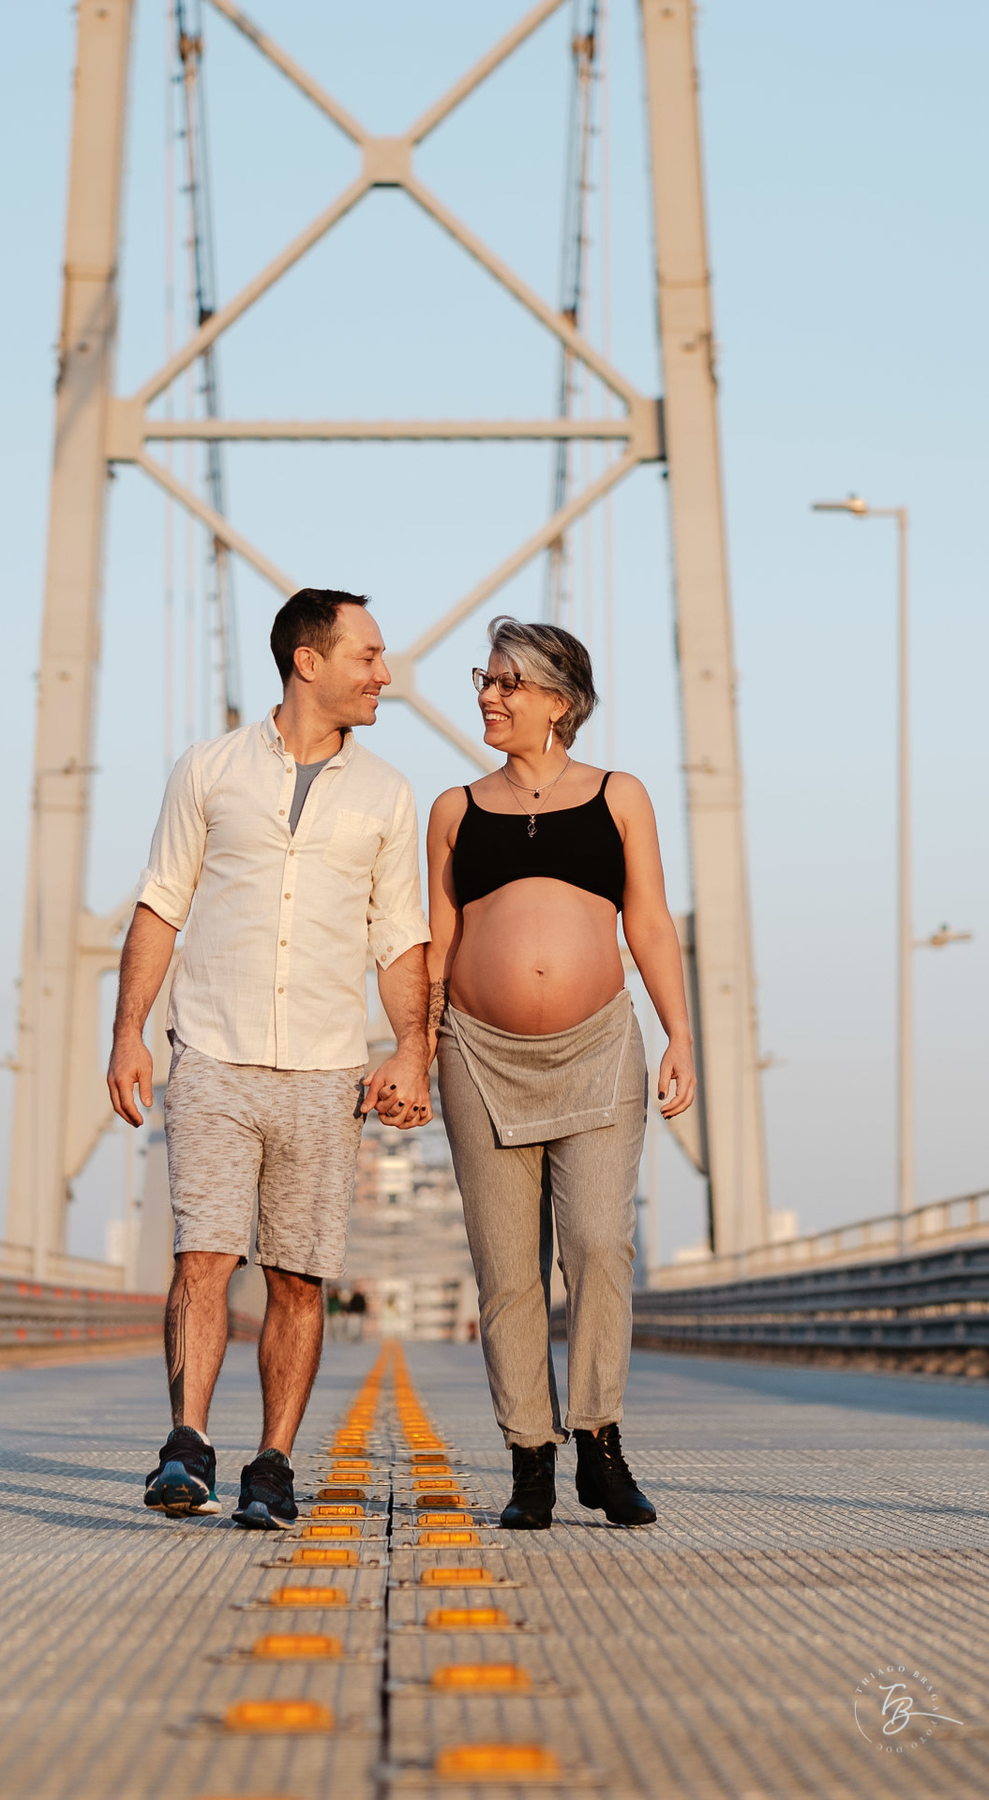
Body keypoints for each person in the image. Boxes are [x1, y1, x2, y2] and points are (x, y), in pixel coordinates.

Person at [108, 589, 431, 1530]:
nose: (384, 675)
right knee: (202, 1255)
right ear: (308, 662)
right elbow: (161, 902)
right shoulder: (207, 770)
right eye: (368, 656)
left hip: (329, 1069)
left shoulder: (388, 794)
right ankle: (186, 1446)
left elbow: (400, 936)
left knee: (297, 1275)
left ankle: (274, 1463)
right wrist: (128, 1030)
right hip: (210, 1052)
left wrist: (411, 1048)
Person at [425, 616, 696, 1531]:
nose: (488, 696)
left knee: (597, 1247)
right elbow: (440, 940)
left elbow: (650, 922)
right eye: (485, 679)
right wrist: (414, 1048)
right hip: (479, 1053)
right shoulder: (454, 809)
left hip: (598, 1047)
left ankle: (601, 1445)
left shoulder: (621, 795)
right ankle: (529, 1461)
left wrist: (681, 1034)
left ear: (560, 700)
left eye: (507, 681)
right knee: (507, 1270)